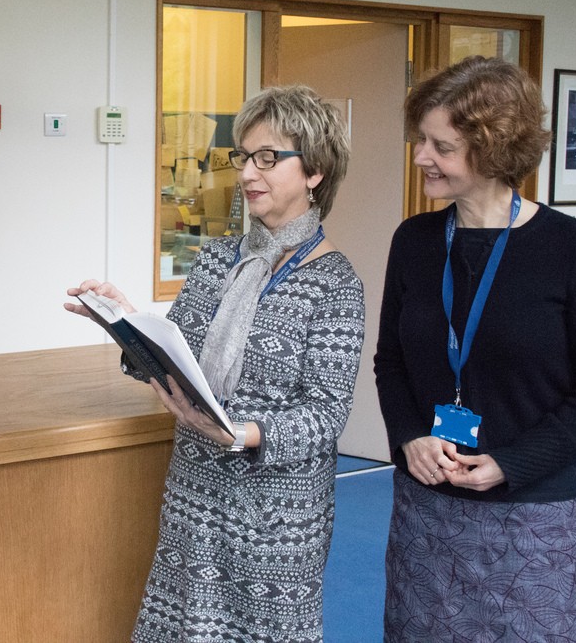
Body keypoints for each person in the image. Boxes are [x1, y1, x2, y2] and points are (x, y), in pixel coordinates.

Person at [66, 86, 365, 642]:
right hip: (196, 494)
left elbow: (325, 417)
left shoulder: (335, 283)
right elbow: (171, 363)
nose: (248, 172)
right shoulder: (218, 258)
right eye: (243, 156)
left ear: (315, 172)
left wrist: (238, 434)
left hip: (276, 518)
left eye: (268, 158)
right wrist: (123, 323)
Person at [374, 56, 576, 642]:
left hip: (535, 515)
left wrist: (512, 464)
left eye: (441, 146)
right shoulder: (413, 241)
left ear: (491, 149)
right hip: (427, 509)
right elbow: (391, 363)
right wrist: (410, 436)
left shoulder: (573, 249)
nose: (420, 157)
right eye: (421, 141)